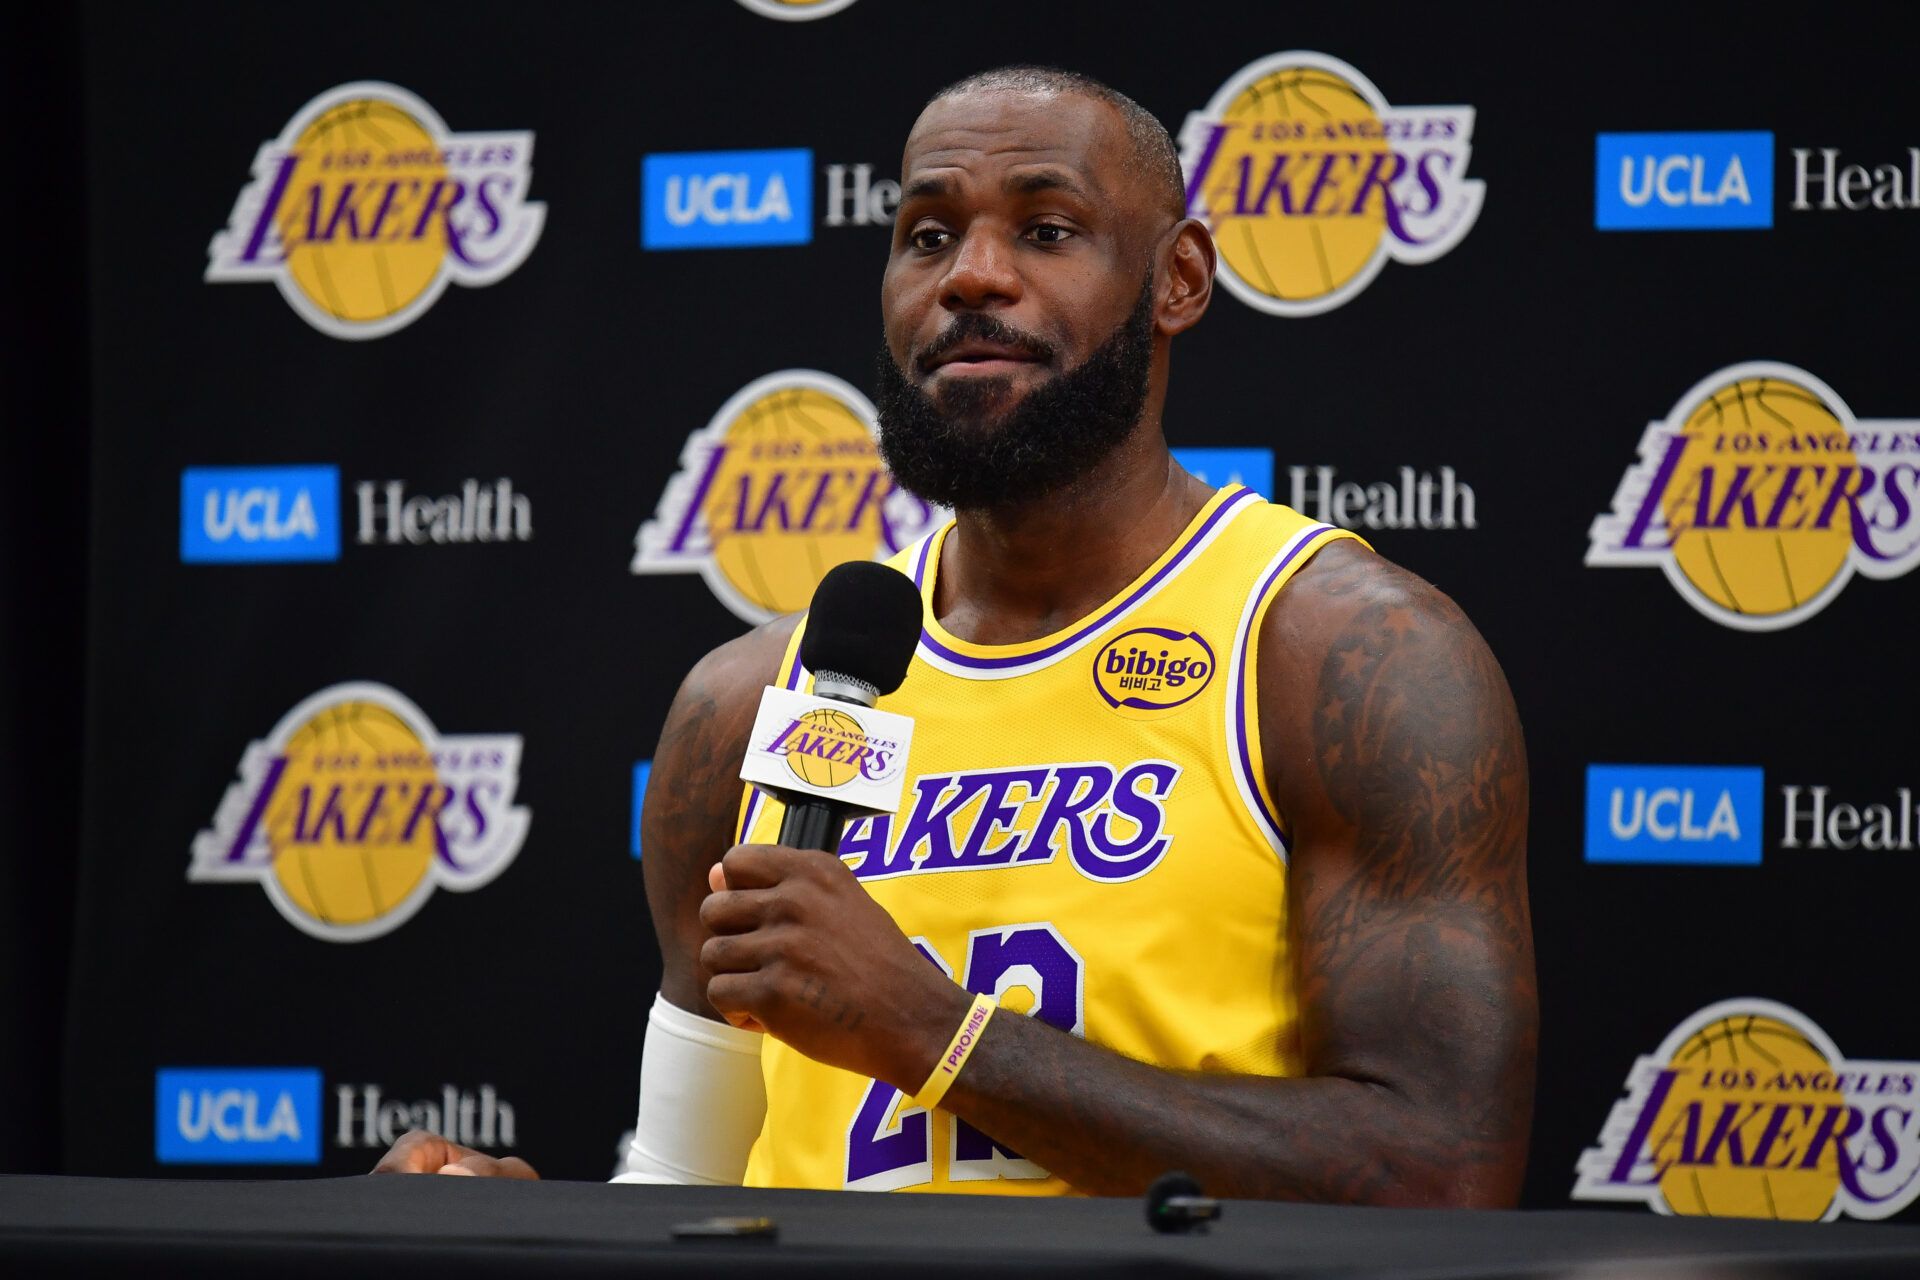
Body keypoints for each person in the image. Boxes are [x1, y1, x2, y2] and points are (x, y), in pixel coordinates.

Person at [374, 66, 1536, 1205]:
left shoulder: (1341, 656)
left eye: (1046, 229)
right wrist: (517, 1226)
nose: (973, 274)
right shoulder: (743, 702)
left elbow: (1438, 1172)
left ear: (1177, 278)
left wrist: (933, 1031)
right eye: (927, 235)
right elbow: (682, 1186)